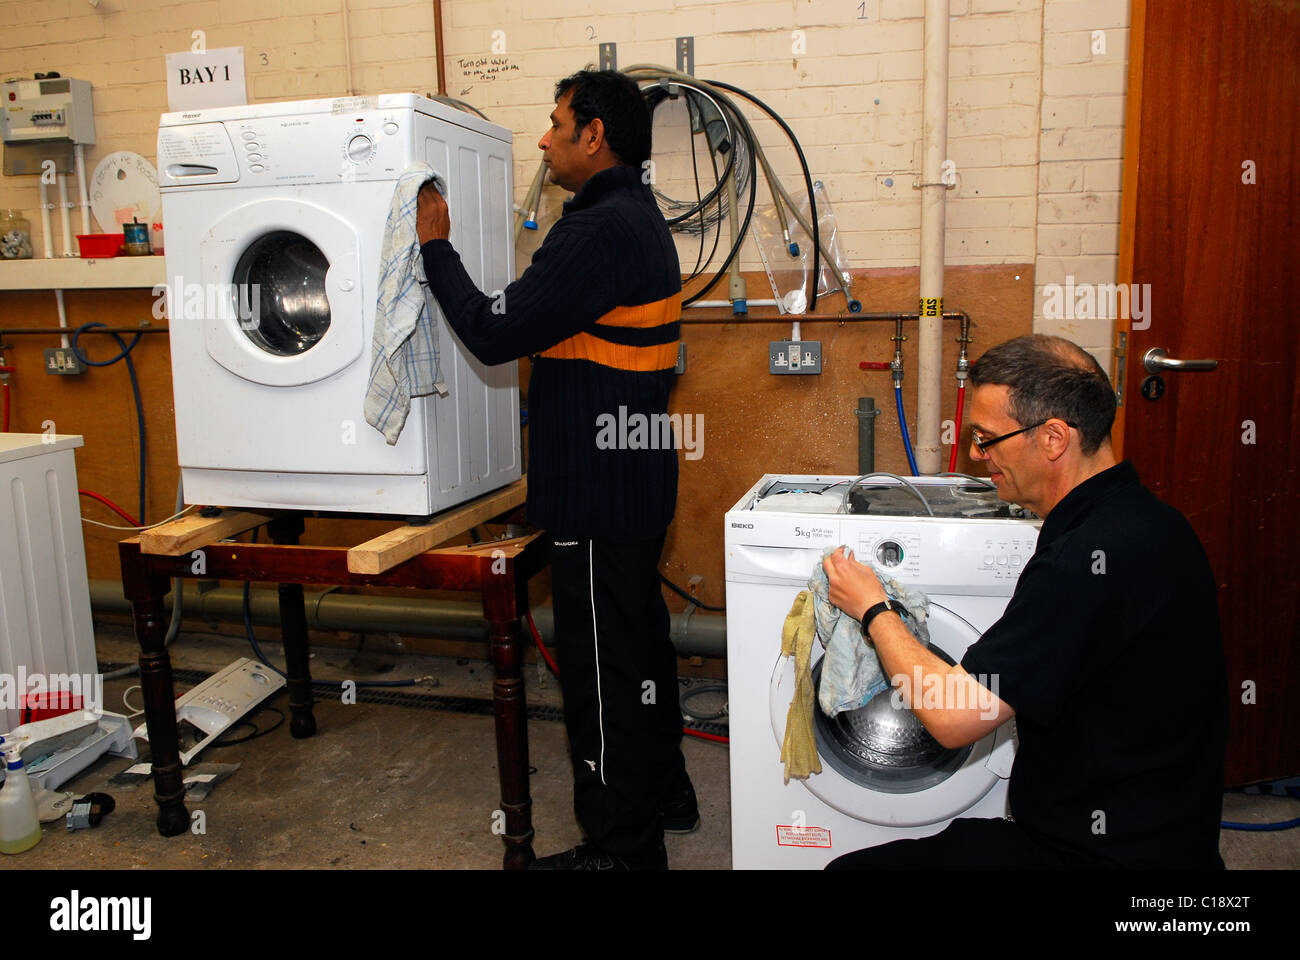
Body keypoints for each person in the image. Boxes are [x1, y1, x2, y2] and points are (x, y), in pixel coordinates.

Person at [416, 70, 694, 870]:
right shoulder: (635, 219)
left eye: (554, 123)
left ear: (593, 135)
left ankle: (620, 851)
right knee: (638, 652)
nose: (543, 140)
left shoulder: (596, 231)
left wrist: (437, 248)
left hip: (598, 497)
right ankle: (668, 796)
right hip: (634, 484)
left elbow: (495, 330)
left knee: (602, 680)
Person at [822, 334, 1227, 869]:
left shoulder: (1080, 561)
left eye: (987, 439)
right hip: (1171, 844)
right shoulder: (1157, 523)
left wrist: (874, 607)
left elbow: (951, 715)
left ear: (1054, 437)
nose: (975, 454)